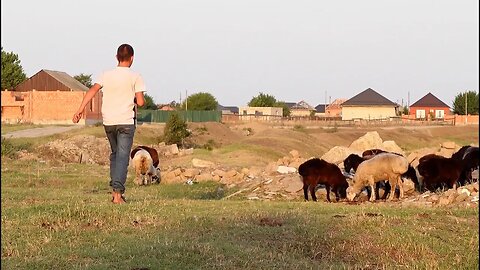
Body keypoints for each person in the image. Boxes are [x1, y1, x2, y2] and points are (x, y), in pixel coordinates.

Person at [72, 43, 146, 204]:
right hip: (126, 122)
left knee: (115, 155)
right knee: (122, 157)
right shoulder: (135, 76)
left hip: (109, 122)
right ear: (132, 58)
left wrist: (80, 110)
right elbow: (140, 102)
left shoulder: (106, 74)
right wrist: (134, 98)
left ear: (116, 57)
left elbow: (92, 90)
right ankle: (118, 194)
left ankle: (115, 192)